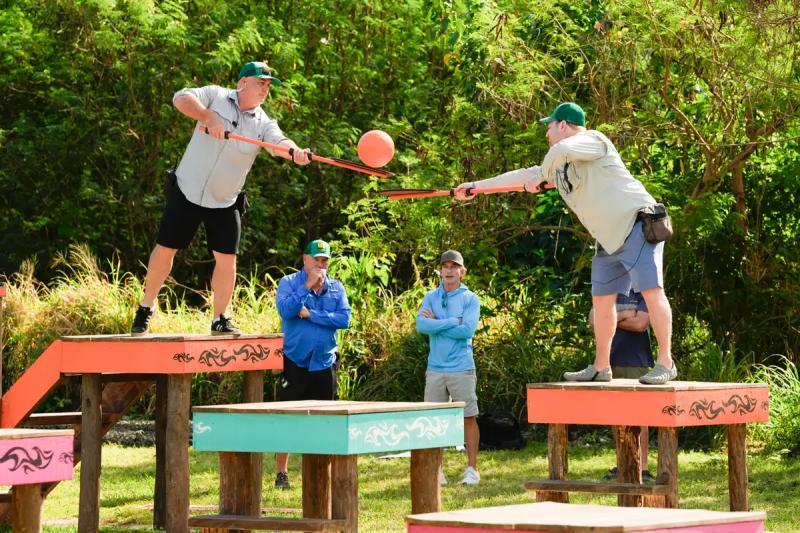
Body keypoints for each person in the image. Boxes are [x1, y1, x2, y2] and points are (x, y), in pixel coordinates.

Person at [454, 102, 676, 385]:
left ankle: (666, 362)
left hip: (636, 224)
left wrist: (541, 177)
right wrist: (476, 186)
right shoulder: (560, 166)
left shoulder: (594, 140)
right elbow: (524, 176)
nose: (546, 134)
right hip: (607, 238)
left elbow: (556, 153)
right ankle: (601, 367)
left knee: (652, 292)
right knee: (602, 300)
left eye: (549, 127)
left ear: (562, 125)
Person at [131, 61, 311, 335]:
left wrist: (295, 152)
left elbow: (279, 143)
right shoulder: (215, 95)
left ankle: (220, 318)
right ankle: (146, 307)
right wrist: (207, 116)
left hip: (225, 199)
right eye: (260, 82)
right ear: (243, 82)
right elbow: (180, 98)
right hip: (187, 190)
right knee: (166, 248)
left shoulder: (264, 123)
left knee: (227, 259)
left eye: (268, 85)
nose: (265, 89)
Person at [273, 239, 351, 489]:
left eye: (324, 260)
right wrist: (306, 286)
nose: (320, 264)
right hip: (295, 360)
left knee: (325, 419)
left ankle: (321, 473)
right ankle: (282, 473)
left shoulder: (336, 288)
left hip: (324, 361)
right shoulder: (289, 283)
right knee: (287, 418)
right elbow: (286, 311)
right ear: (305, 259)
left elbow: (344, 319)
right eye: (316, 259)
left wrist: (311, 315)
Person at [416, 250, 482, 485]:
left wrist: (436, 323)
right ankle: (437, 471)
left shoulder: (470, 299)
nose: (449, 270)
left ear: (462, 272)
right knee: (434, 420)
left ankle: (472, 470)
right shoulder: (431, 296)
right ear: (440, 271)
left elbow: (467, 330)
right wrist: (451, 321)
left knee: (468, 417)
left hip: (462, 367)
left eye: (454, 267)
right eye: (445, 266)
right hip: (435, 368)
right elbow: (421, 325)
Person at [590, 290, 655, 481]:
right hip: (608, 361)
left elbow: (641, 323)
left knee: (640, 415)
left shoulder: (644, 290)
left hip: (636, 361)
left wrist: (609, 319)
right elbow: (593, 320)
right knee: (616, 414)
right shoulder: (609, 289)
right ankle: (622, 464)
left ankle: (642, 468)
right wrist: (625, 314)